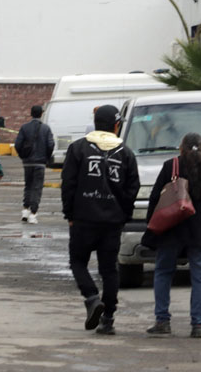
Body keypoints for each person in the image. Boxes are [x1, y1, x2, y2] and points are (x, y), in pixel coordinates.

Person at [61, 104, 139, 335]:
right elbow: (132, 189)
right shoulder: (125, 153)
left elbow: (69, 185)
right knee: (109, 270)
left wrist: (70, 215)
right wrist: (123, 215)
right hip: (112, 222)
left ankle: (92, 297)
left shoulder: (78, 149)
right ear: (116, 126)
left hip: (83, 219)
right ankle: (108, 320)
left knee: (78, 262)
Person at [144, 133, 201, 339]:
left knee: (163, 272)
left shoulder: (171, 166)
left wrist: (152, 226)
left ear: (181, 148)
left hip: (171, 228)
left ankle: (162, 320)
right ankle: (198, 324)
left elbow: (155, 198)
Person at [14, 105, 54, 224]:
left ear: (31, 113)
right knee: (37, 187)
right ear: (41, 114)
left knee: (28, 186)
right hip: (40, 163)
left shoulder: (24, 127)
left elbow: (17, 144)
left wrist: (23, 156)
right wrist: (46, 157)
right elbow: (50, 145)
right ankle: (33, 213)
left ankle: (25, 210)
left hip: (28, 162)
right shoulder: (46, 129)